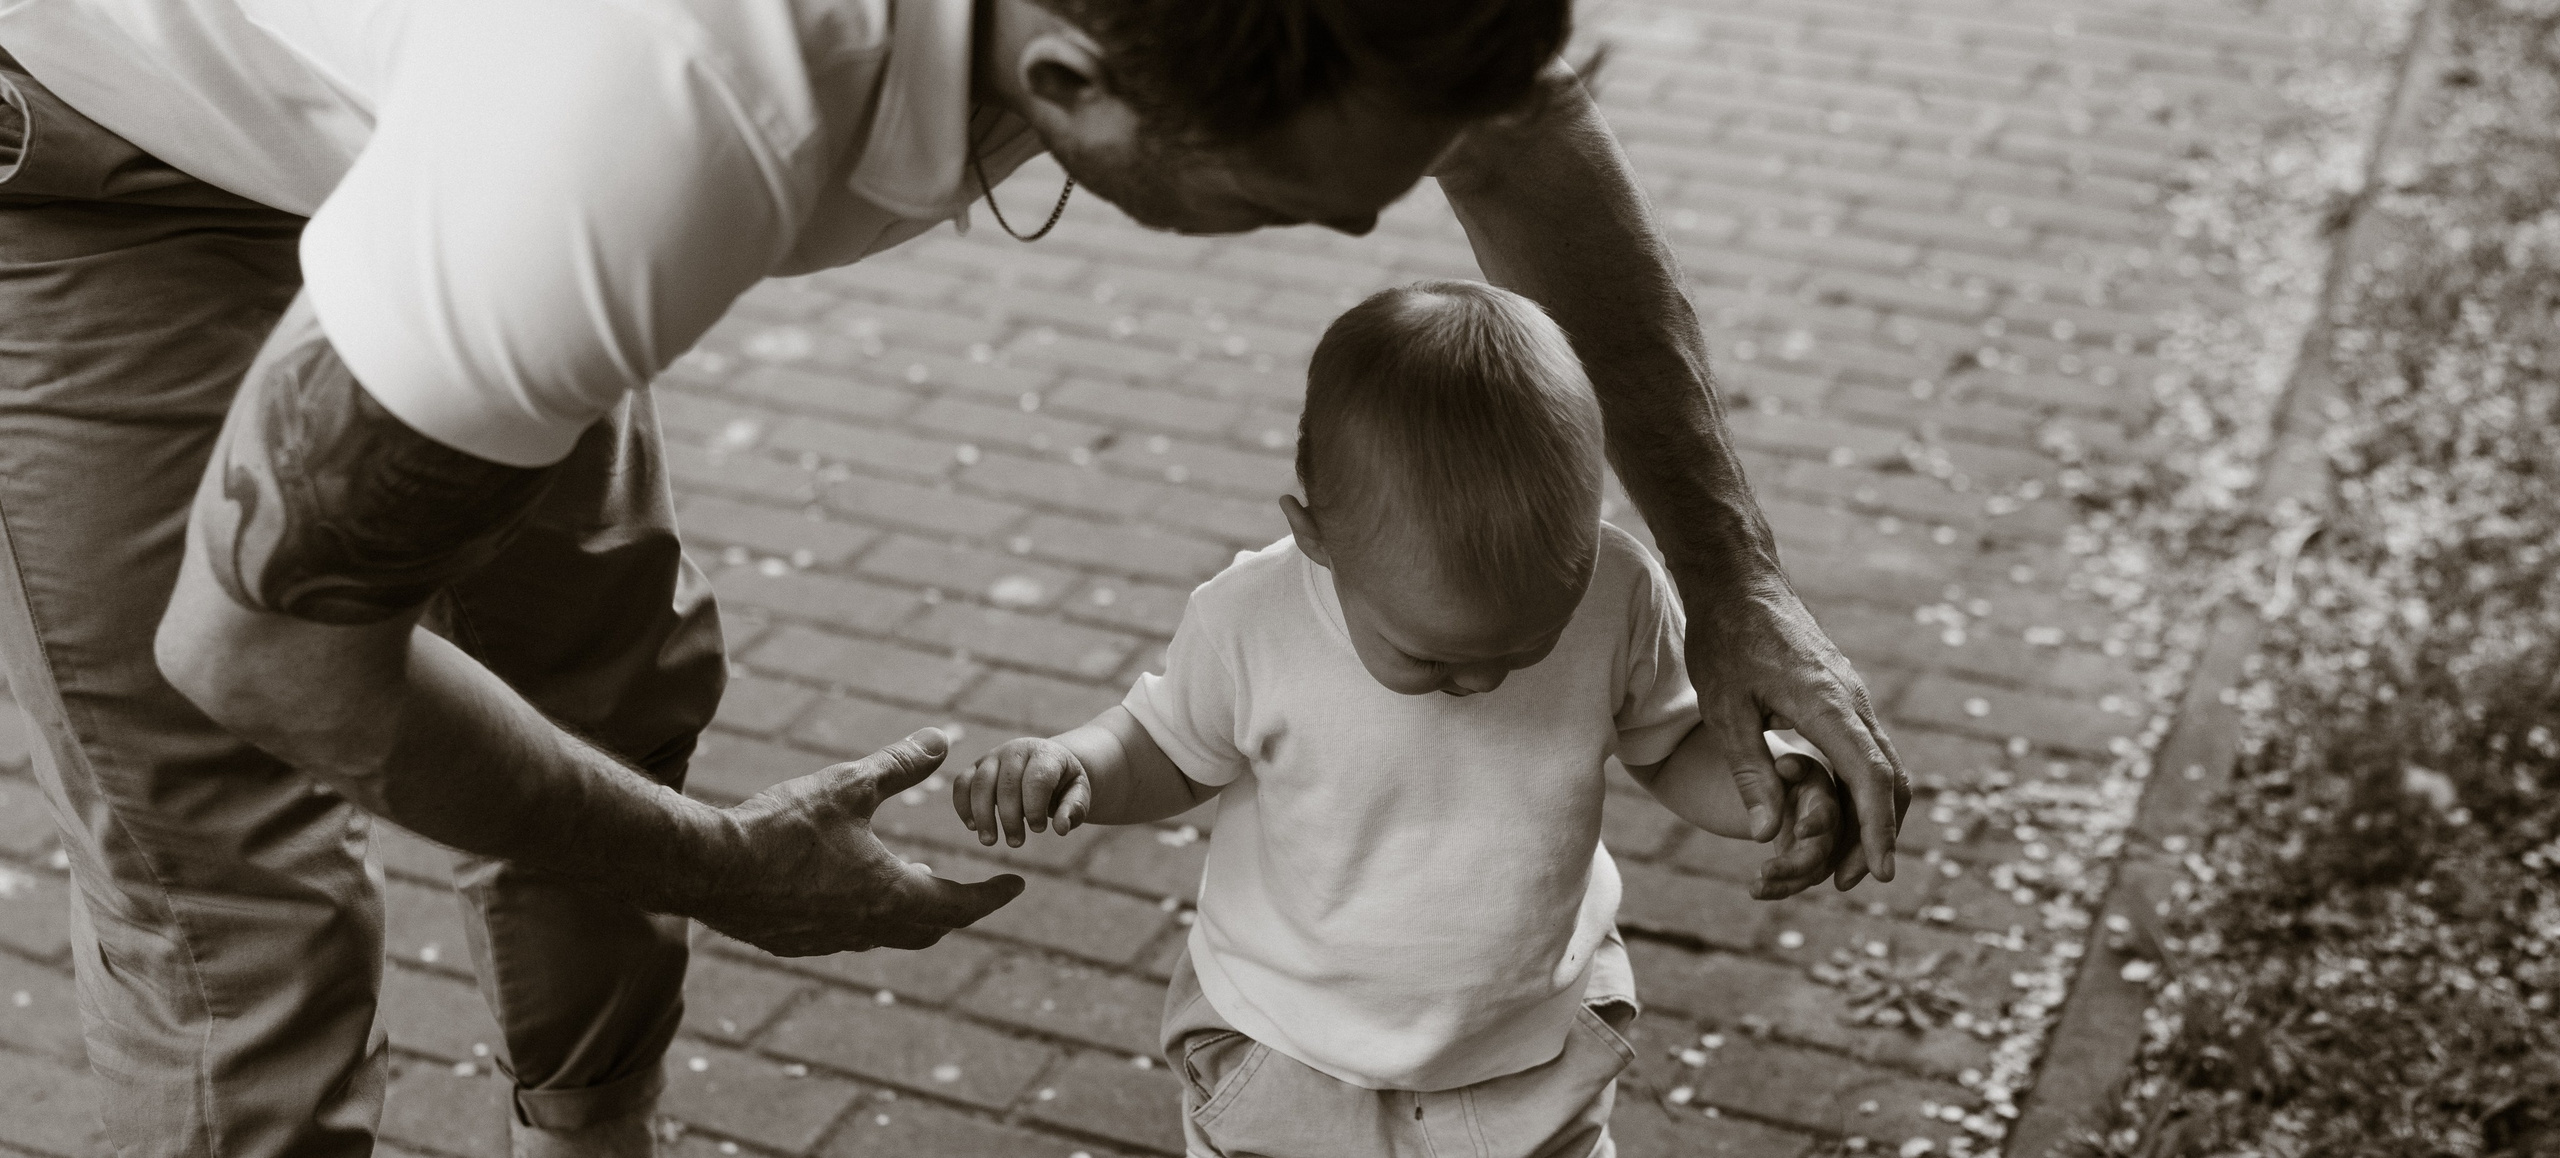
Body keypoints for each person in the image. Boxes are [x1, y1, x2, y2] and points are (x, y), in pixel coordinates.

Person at [0, 1, 1907, 1155]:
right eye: (1287, 197)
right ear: (1068, 86)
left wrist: (1732, 588)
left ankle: (584, 1127)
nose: (1344, 228)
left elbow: (1509, 125)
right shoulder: (661, 100)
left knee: (608, 697)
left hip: (432, 121)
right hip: (104, 153)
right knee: (225, 888)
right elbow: (264, 653)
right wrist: (726, 868)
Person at [953, 280, 1857, 1158]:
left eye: (1526, 645)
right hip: (1286, 1039)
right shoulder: (1252, 620)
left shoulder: (1615, 594)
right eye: (1428, 657)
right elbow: (1166, 749)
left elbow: (1671, 742)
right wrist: (1075, 762)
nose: (1480, 682)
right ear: (1317, 535)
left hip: (1529, 1043)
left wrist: (1766, 787)